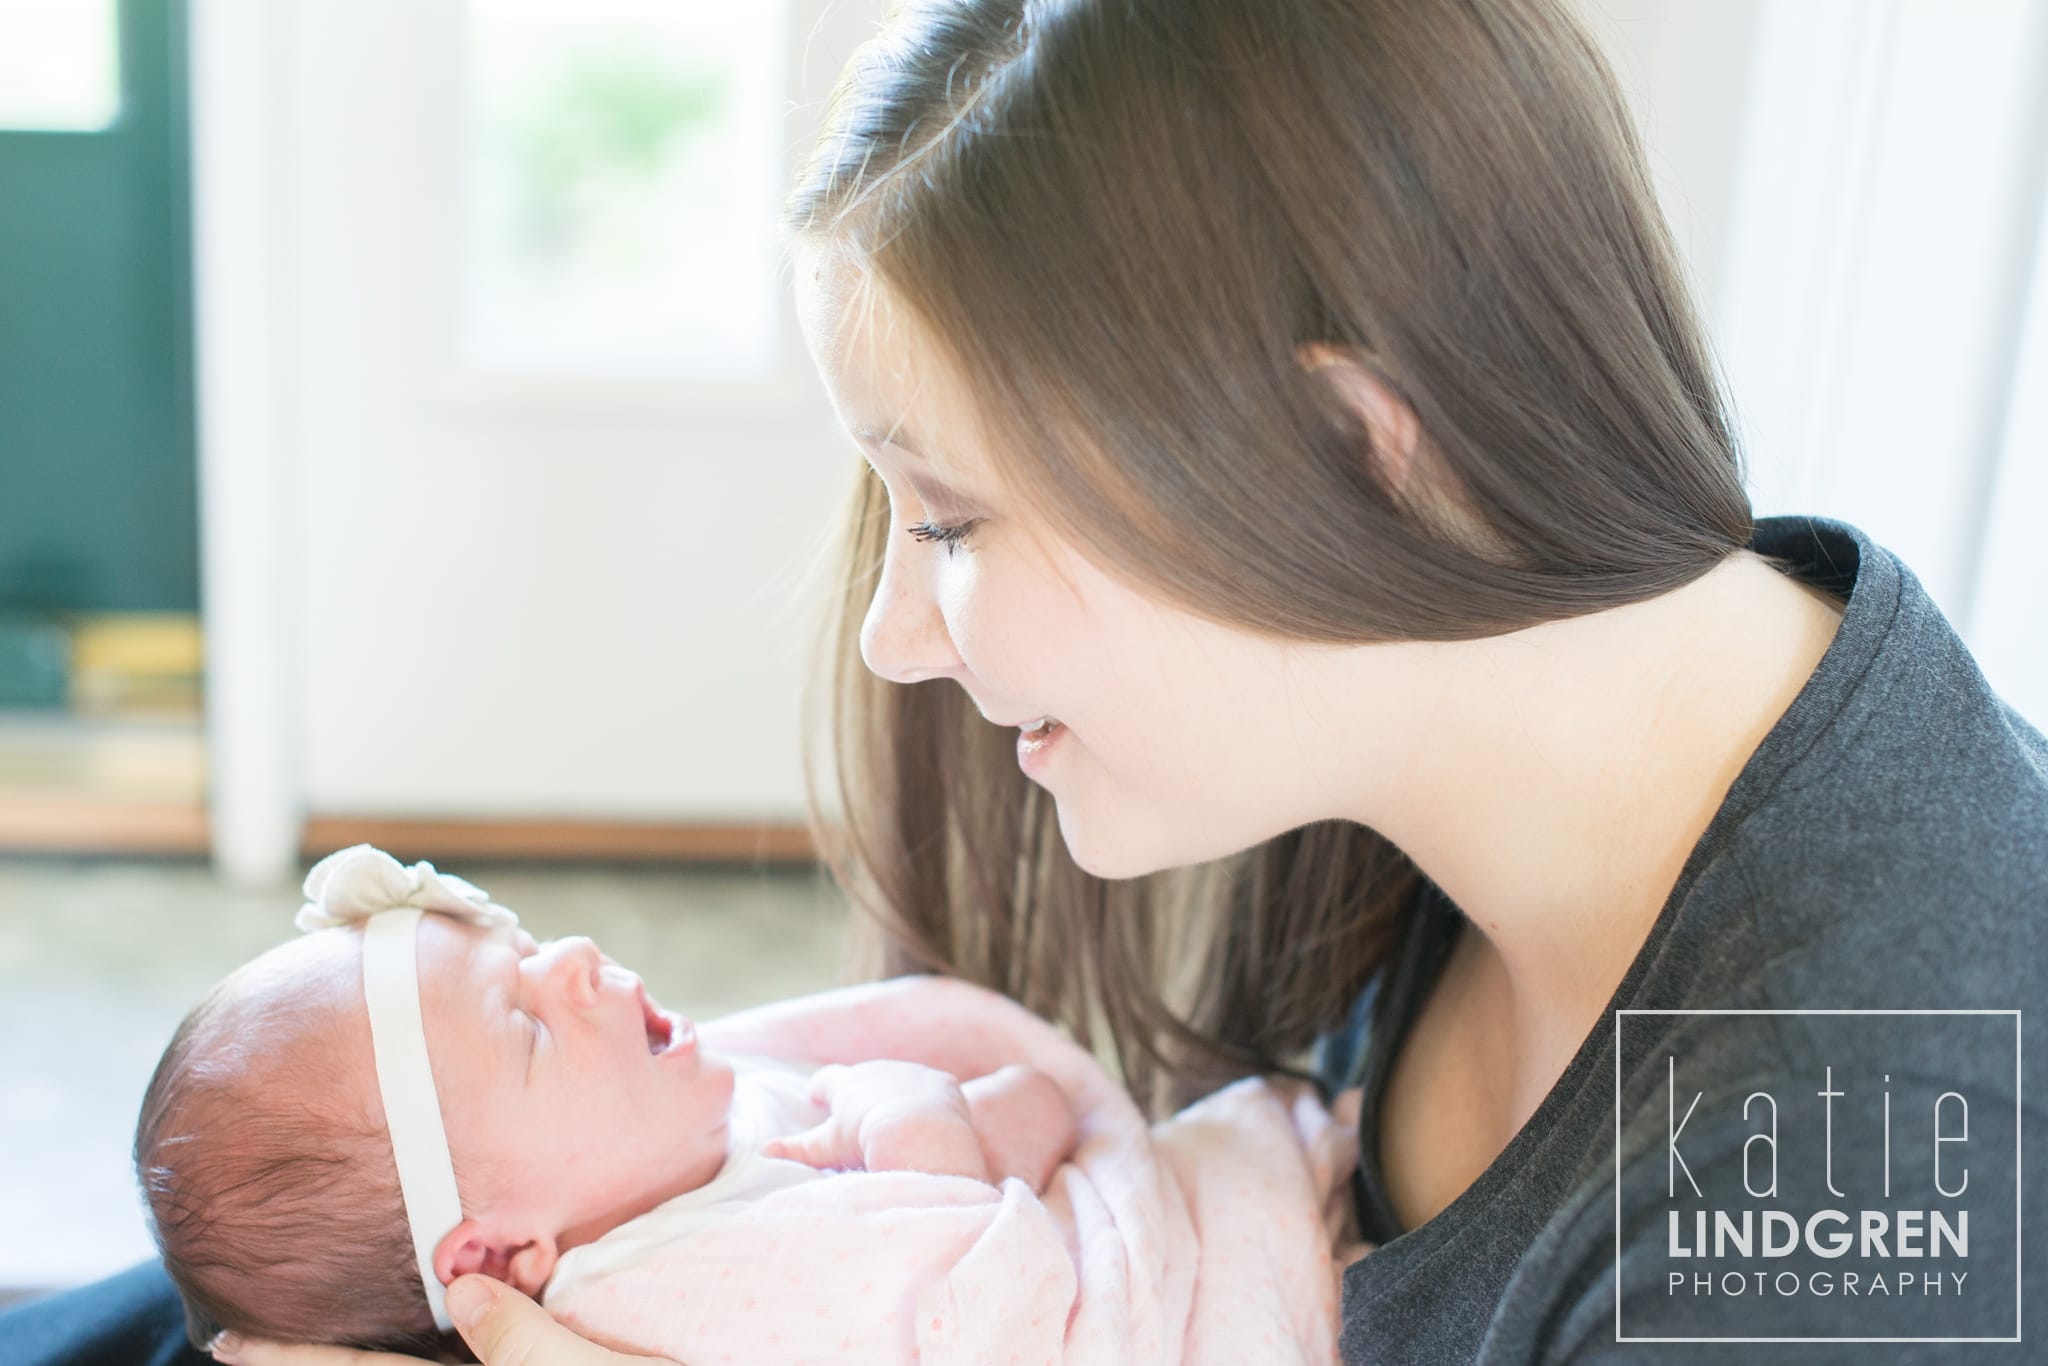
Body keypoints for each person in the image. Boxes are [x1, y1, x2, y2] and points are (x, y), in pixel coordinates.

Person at [9, 0, 2043, 1362]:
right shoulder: (1476, 713)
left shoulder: (1863, 1196)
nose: (898, 627)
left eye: (954, 521)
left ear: (1353, 448)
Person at [134, 845, 1073, 1357]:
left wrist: (1004, 1112)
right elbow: (976, 1287)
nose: (577, 957)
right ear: (498, 1254)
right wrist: (918, 1122)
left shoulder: (670, 1146)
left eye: (529, 952)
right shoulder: (681, 1289)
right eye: (530, 1026)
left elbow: (1042, 1109)